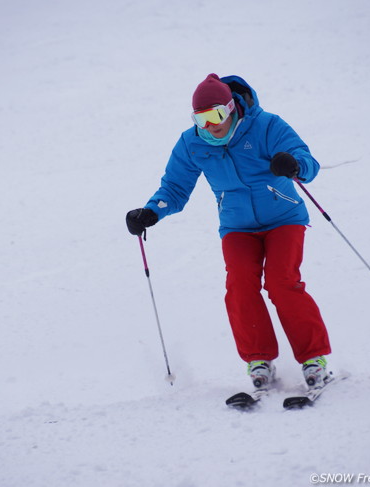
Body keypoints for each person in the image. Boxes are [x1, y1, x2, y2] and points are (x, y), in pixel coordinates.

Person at [125, 73, 332, 390]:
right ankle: (258, 359)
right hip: (236, 225)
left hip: (284, 217)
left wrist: (293, 164)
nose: (210, 125)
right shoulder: (191, 143)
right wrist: (152, 211)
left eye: (216, 115)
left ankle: (314, 359)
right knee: (239, 284)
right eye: (201, 118)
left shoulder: (266, 126)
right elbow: (175, 188)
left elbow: (308, 162)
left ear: (232, 107)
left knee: (281, 282)